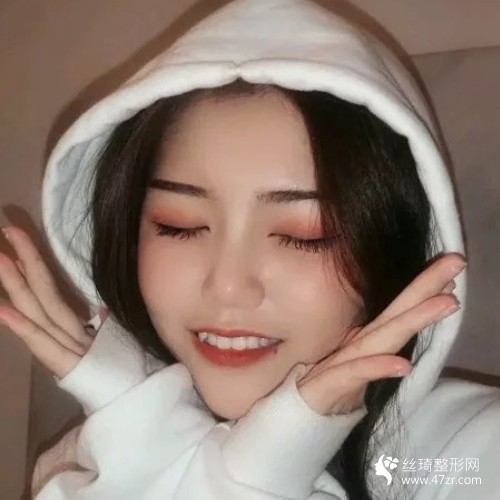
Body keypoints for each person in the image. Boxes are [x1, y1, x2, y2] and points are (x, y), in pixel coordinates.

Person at [0, 0, 498, 498]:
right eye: (180, 226)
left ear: (388, 245)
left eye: (303, 234)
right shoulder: (86, 464)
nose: (227, 287)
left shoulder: (470, 453)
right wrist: (141, 426)